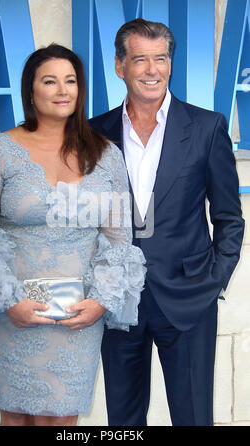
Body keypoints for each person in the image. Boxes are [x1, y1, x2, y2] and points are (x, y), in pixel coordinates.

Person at [0, 43, 145, 426]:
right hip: (11, 309)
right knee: (17, 419)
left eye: (70, 81)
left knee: (59, 420)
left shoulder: (107, 155)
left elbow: (120, 240)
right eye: (50, 81)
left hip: (77, 313)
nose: (62, 90)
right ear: (31, 90)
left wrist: (102, 301)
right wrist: (10, 301)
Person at [89, 18, 245, 426]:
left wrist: (212, 281)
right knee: (123, 421)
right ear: (120, 66)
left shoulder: (207, 127)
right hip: (118, 301)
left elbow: (229, 217)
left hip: (188, 298)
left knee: (193, 416)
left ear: (171, 64)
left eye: (161, 58)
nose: (152, 70)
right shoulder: (94, 132)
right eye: (140, 59)